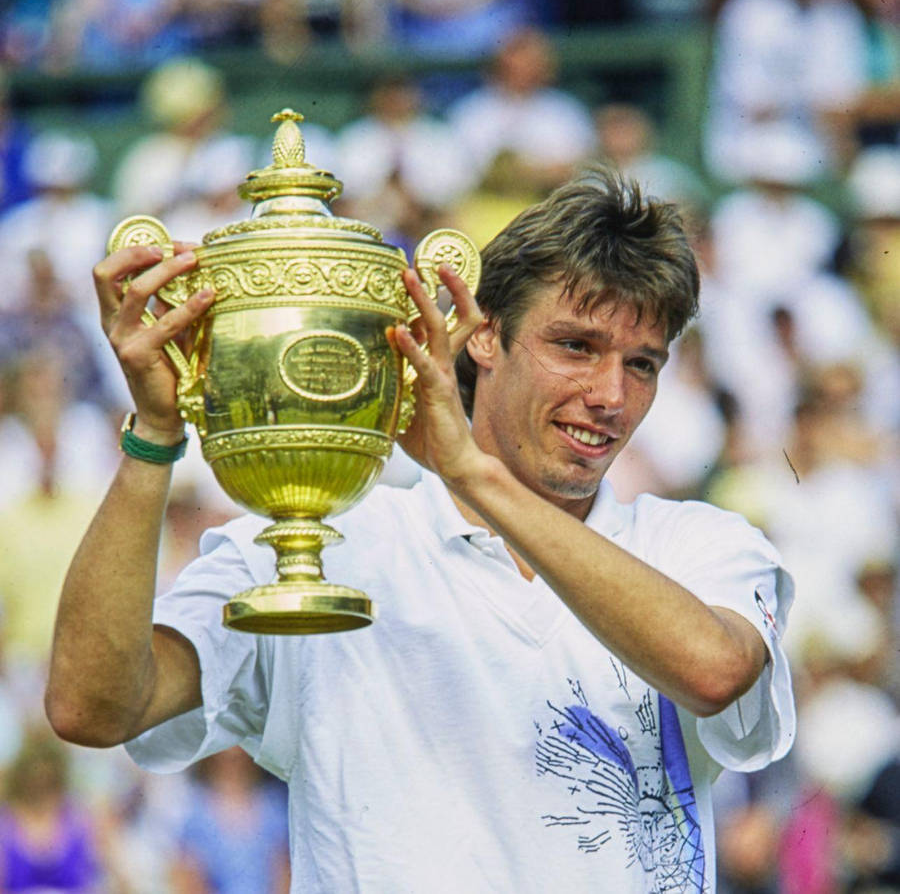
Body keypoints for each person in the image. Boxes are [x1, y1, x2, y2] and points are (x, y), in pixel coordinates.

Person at [45, 170, 795, 892]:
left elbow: (712, 670)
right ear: (483, 336)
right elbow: (93, 707)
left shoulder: (701, 544)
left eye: (642, 364)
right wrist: (153, 434)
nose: (610, 395)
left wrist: (471, 473)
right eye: (575, 346)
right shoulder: (317, 542)